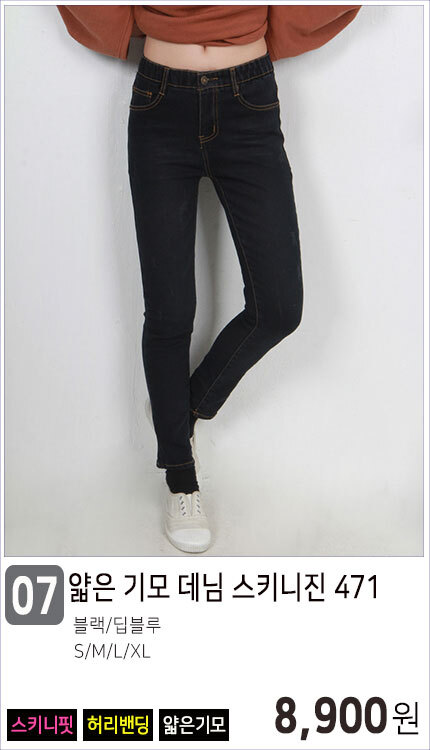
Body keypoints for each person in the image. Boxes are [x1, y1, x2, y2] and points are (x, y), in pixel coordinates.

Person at [57, 5, 361, 553]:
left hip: (249, 100)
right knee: (170, 311)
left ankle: (181, 408)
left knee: (279, 307)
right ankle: (181, 478)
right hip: (160, 101)